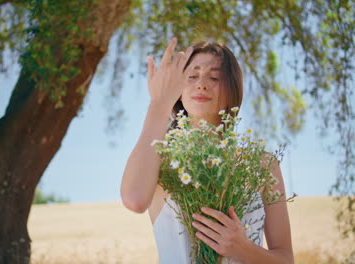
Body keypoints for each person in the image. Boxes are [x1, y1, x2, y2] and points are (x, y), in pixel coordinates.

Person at [120, 37, 294, 264]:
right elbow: (134, 200)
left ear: (233, 87)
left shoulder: (262, 164)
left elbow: (285, 259)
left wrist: (242, 248)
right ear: (178, 90)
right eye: (191, 76)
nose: (201, 84)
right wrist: (159, 103)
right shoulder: (159, 160)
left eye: (214, 77)